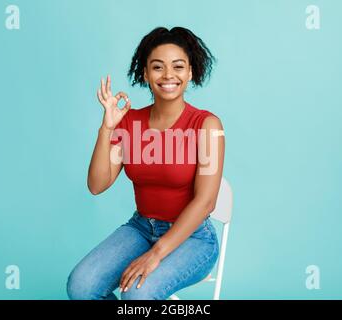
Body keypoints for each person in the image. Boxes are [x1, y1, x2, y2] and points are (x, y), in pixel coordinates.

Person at [67, 26, 225, 300]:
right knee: (81, 287)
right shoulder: (129, 123)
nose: (168, 75)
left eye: (178, 67)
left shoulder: (206, 126)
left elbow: (206, 202)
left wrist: (156, 254)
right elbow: (97, 184)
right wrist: (107, 128)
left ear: (190, 73)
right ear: (145, 73)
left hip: (193, 237)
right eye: (157, 67)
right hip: (141, 228)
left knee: (137, 297)